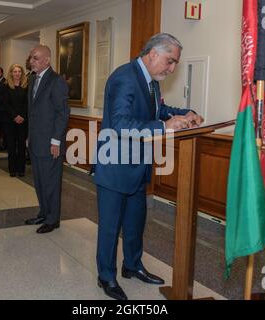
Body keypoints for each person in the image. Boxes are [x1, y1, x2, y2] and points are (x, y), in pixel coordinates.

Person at [93, 33, 204, 300]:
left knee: (135, 222)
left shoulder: (151, 81)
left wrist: (184, 114)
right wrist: (164, 127)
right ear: (153, 53)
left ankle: (132, 266)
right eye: (170, 61)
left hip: (138, 166)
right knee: (110, 227)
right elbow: (120, 123)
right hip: (115, 167)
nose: (172, 68)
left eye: (175, 63)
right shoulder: (124, 77)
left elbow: (158, 110)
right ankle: (106, 276)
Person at [24, 45, 70, 233]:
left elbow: (62, 114)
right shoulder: (33, 79)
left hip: (50, 143)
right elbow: (33, 113)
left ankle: (53, 219)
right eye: (31, 57)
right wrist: (29, 136)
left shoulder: (56, 81)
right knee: (40, 181)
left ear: (47, 60)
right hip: (36, 141)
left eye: (35, 58)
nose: (31, 61)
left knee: (51, 182)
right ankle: (44, 213)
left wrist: (56, 141)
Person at [3, 64, 28, 177]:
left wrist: (22, 116)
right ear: (11, 73)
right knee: (12, 146)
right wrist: (15, 116)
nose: (17, 73)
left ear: (22, 73)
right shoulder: (6, 86)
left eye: (19, 71)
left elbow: (27, 103)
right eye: (15, 71)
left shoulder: (26, 86)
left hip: (23, 121)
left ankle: (21, 169)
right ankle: (12, 169)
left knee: (22, 146)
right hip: (10, 121)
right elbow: (6, 104)